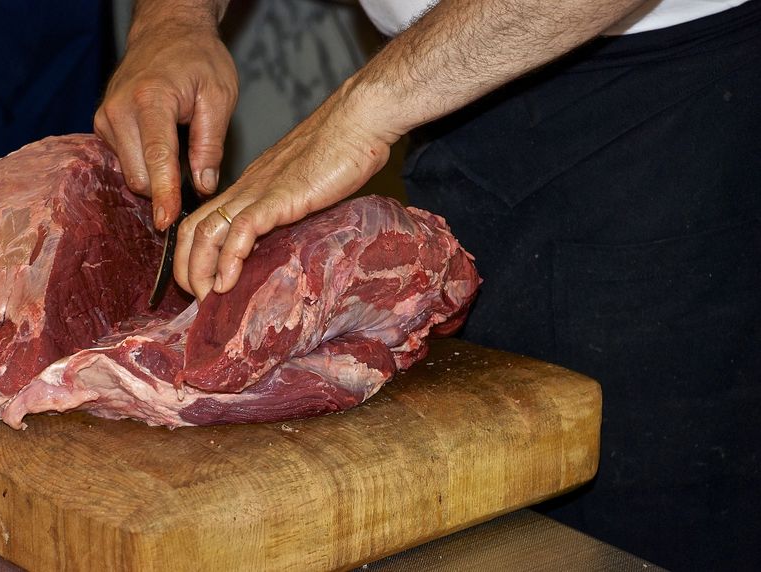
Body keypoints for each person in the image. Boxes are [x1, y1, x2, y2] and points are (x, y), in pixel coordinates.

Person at [94, 0, 761, 569]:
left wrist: (359, 113)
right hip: (444, 83)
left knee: (628, 523)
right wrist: (175, 19)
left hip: (662, 114)